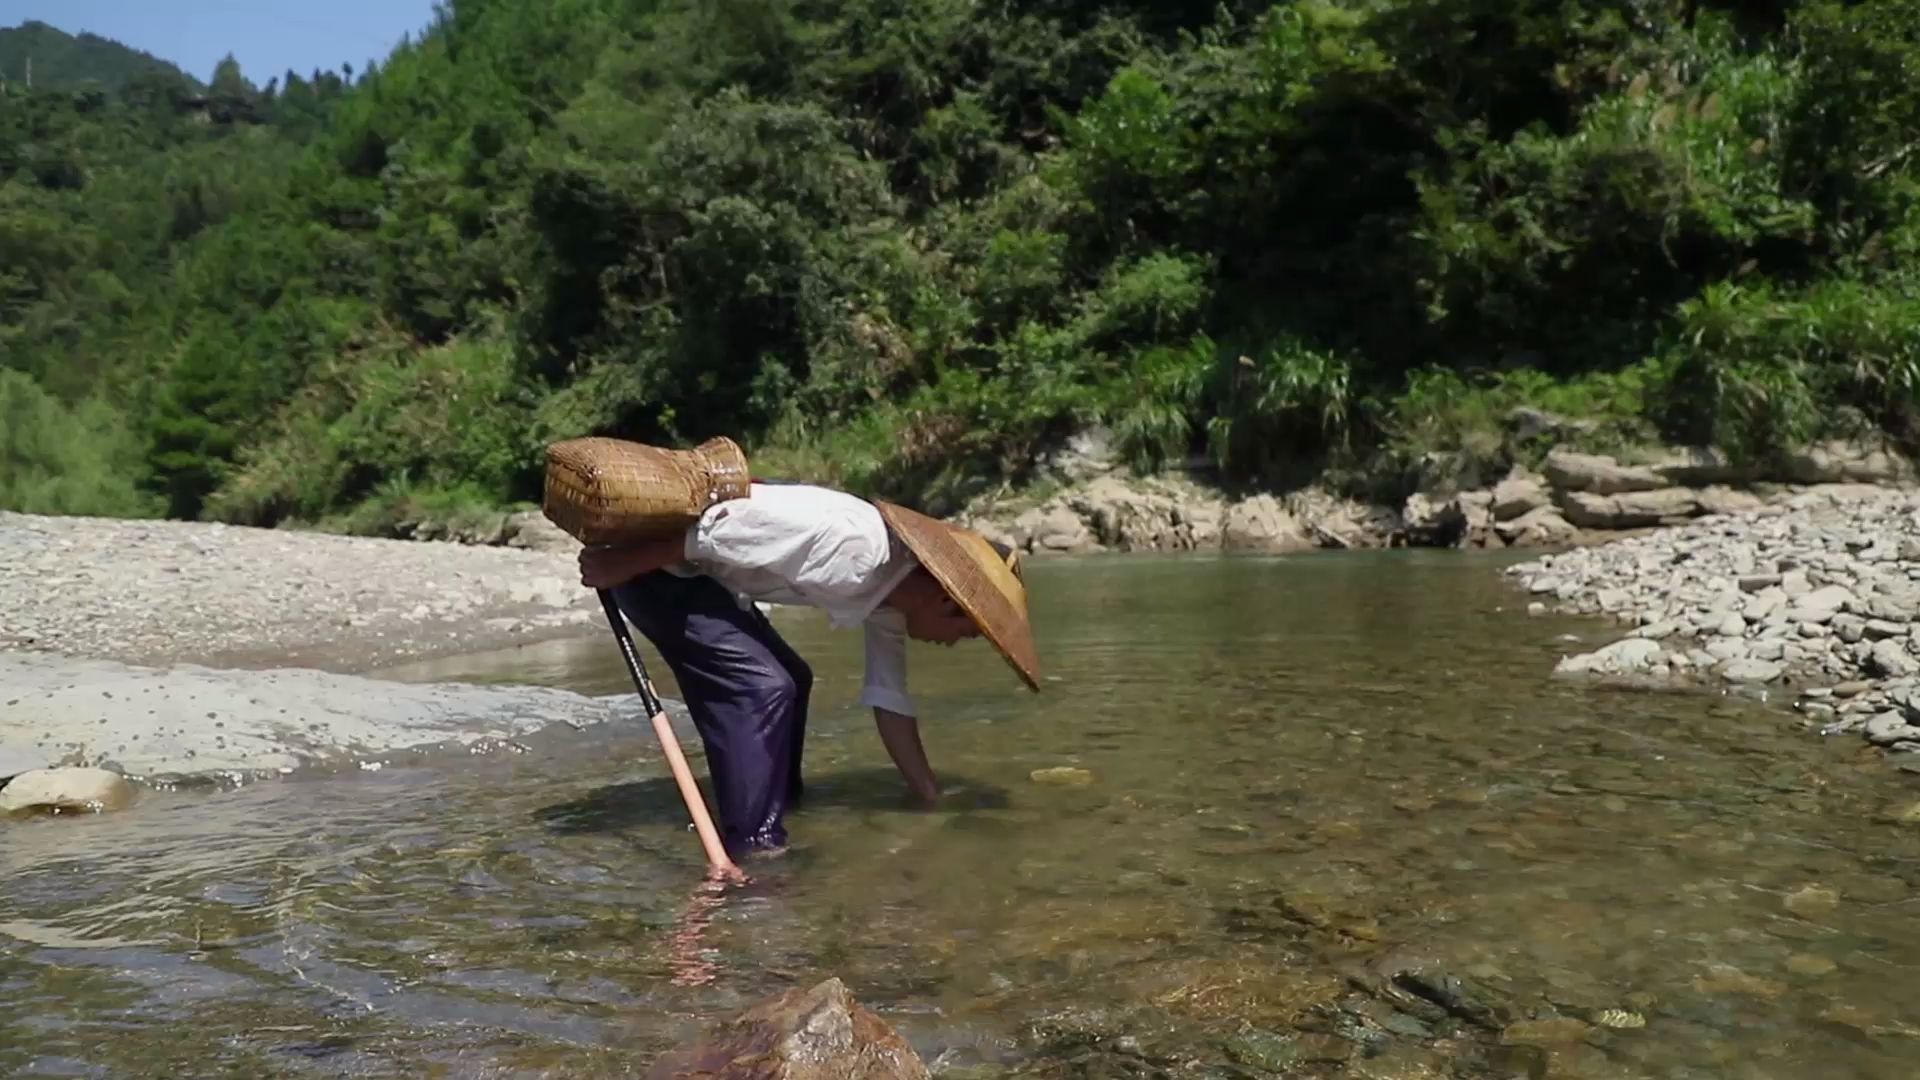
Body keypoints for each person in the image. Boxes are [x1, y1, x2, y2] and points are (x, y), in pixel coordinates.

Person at [576, 480, 1039, 860]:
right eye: (967, 632)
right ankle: (753, 846)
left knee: (794, 678)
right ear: (946, 600)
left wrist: (929, 798)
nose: (954, 643)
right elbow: (724, 523)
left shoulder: (891, 596)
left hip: (698, 577)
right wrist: (619, 564)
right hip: (652, 569)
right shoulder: (857, 545)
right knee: (762, 688)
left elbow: (888, 698)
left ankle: (778, 802)